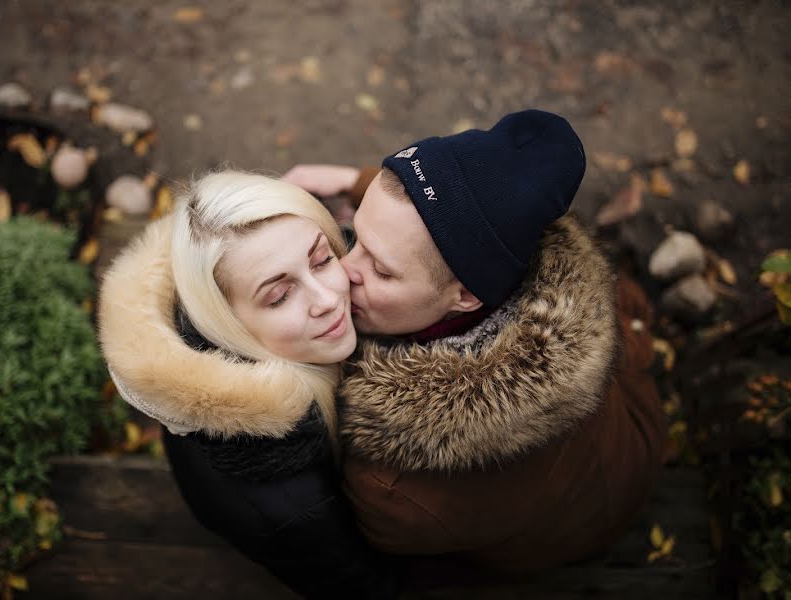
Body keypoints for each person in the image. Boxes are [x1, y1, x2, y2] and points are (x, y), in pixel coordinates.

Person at [283, 109, 668, 579]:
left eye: (381, 270)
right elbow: (441, 217)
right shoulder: (548, 271)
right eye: (356, 235)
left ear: (465, 297)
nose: (344, 270)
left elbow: (379, 556)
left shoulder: (397, 483)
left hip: (572, 532)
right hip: (632, 440)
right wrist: (357, 180)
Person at [97, 171, 396, 598]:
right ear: (227, 327)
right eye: (279, 297)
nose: (327, 298)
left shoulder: (207, 320)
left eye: (322, 259)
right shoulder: (291, 503)